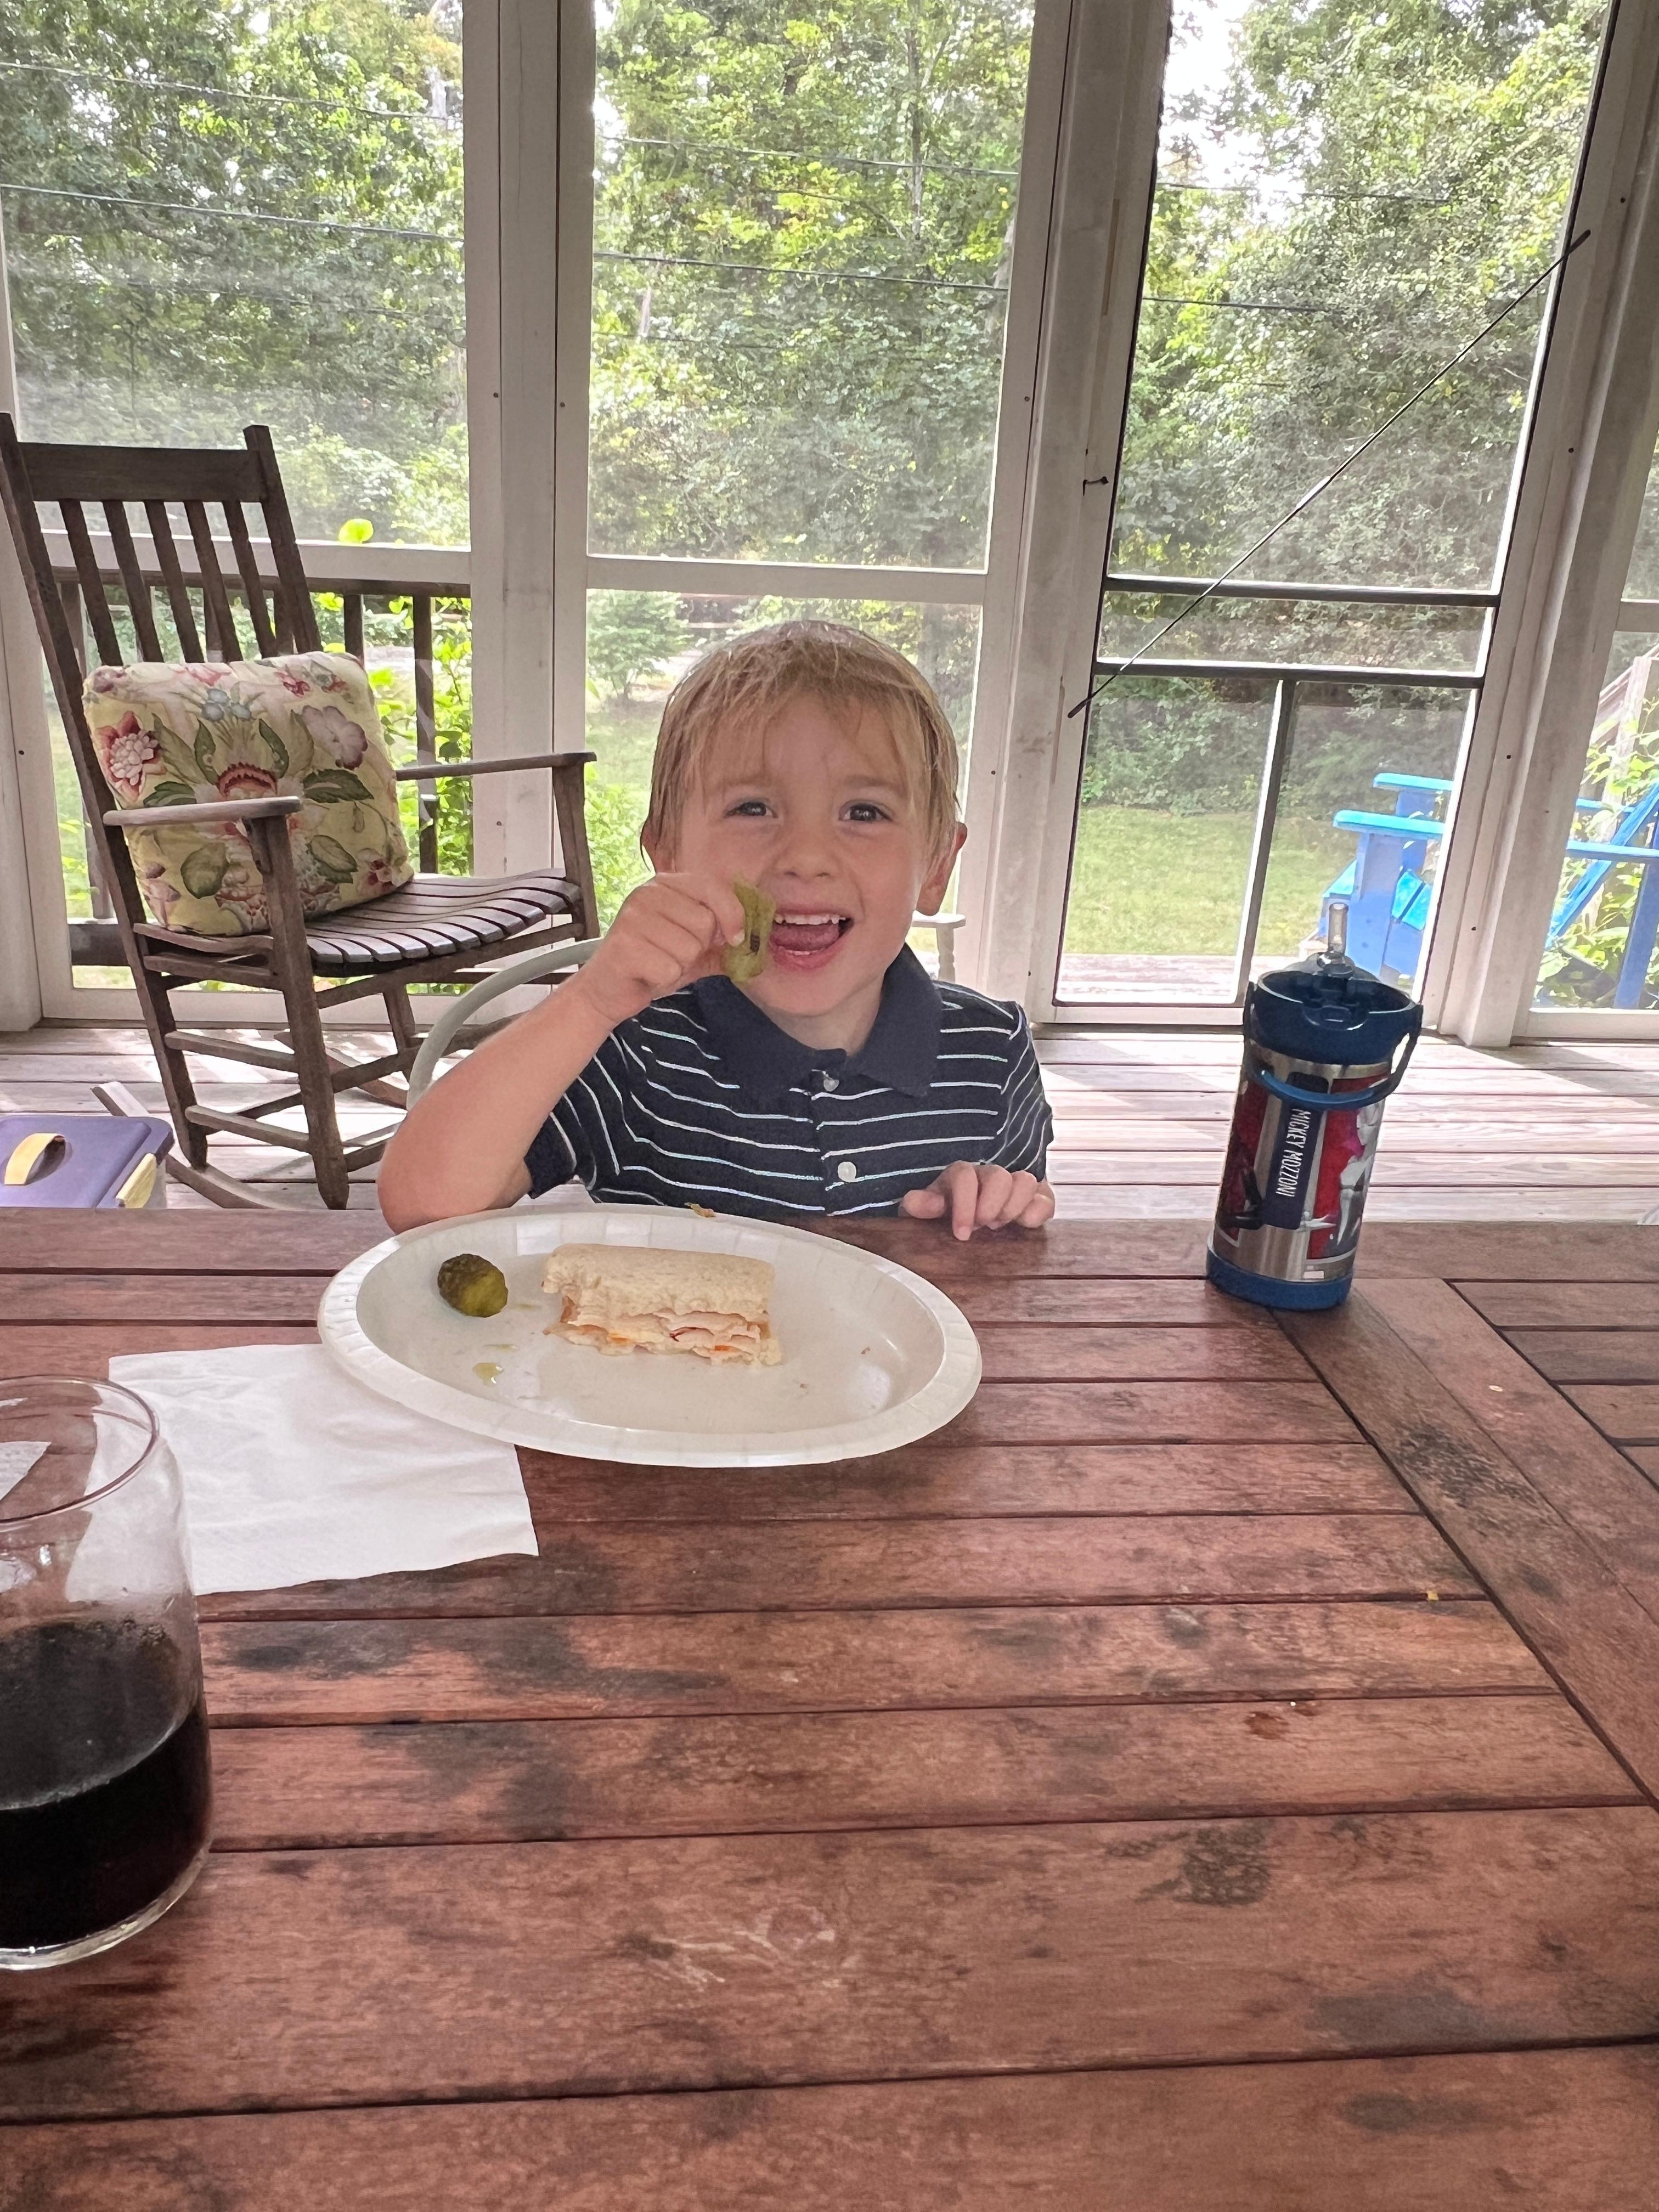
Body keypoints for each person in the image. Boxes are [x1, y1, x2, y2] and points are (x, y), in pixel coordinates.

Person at [379, 619, 1054, 1238]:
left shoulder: (992, 1056)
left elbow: (1010, 1263)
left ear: (936, 866)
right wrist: (592, 1001)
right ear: (668, 855)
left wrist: (987, 1206)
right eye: (754, 807)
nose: (807, 858)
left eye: (865, 812)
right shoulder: (633, 1052)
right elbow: (425, 1207)